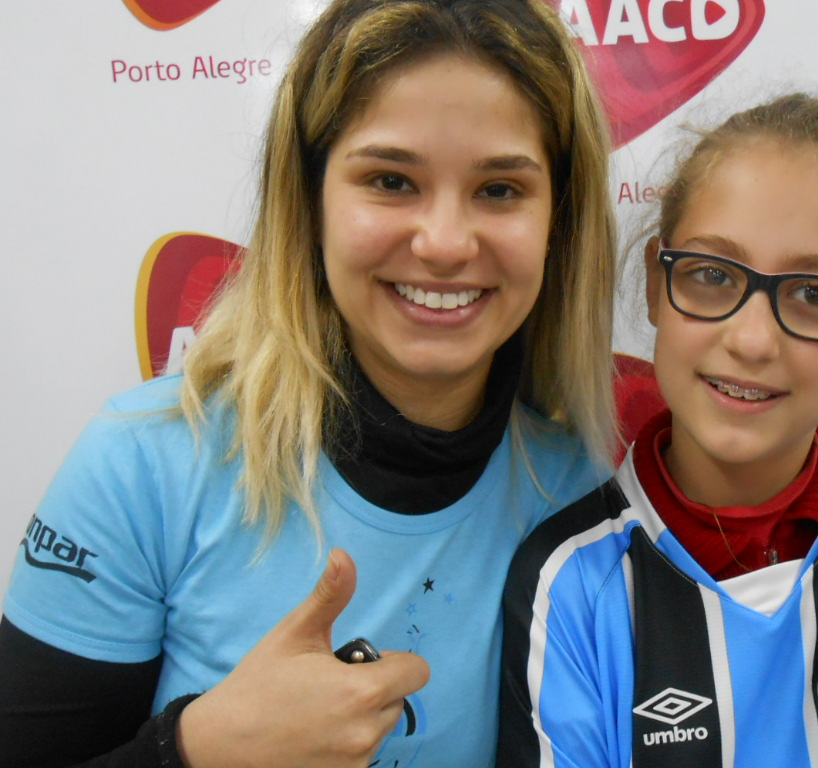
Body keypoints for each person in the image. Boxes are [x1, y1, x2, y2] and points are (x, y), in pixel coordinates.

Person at [0, 0, 620, 766]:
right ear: (310, 202)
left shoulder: (581, 501)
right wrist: (195, 752)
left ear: (560, 220)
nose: (446, 243)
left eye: (499, 190)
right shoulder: (144, 463)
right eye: (391, 180)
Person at [498, 93, 818, 768]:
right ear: (659, 287)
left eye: (814, 294)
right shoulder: (568, 585)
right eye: (712, 275)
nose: (751, 339)